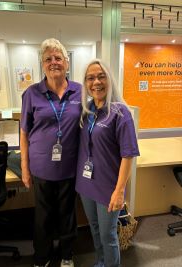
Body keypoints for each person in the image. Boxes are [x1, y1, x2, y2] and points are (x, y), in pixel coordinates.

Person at [20, 38, 82, 267]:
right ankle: (42, 258)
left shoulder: (80, 91)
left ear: (66, 63)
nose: (53, 62)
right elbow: (24, 133)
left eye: (58, 58)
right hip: (41, 168)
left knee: (68, 215)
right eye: (48, 59)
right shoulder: (31, 94)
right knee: (43, 217)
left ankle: (67, 255)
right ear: (42, 64)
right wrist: (25, 169)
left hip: (70, 167)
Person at [76, 59, 140, 267]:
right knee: (94, 230)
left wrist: (120, 190)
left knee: (108, 235)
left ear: (109, 79)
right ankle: (100, 262)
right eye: (91, 78)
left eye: (101, 76)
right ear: (86, 83)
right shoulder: (86, 112)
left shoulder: (121, 113)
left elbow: (128, 155)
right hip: (86, 185)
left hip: (108, 188)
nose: (96, 82)